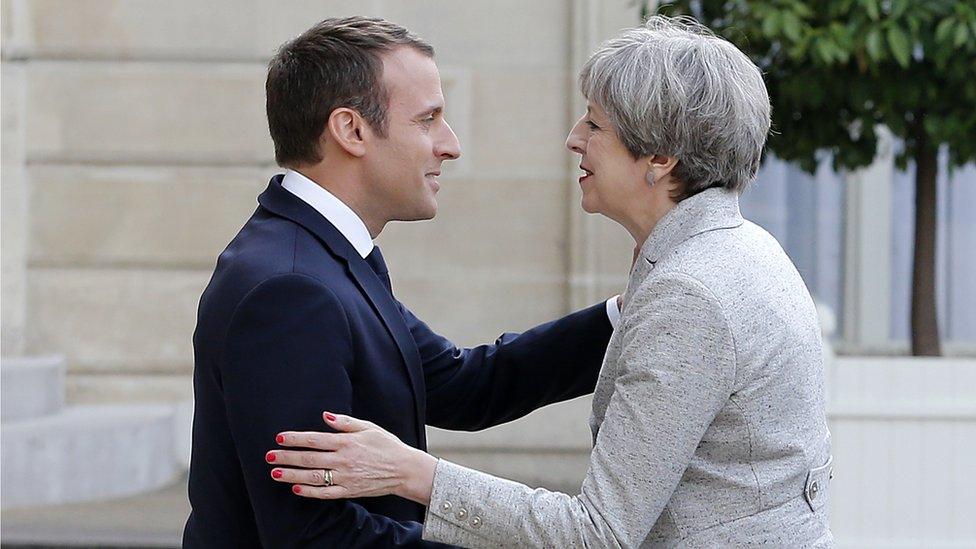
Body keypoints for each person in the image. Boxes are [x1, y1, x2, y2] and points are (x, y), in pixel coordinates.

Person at [268, 16, 834, 548]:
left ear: (658, 157)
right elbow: (464, 382)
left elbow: (596, 534)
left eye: (595, 124)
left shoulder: (691, 293)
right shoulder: (742, 250)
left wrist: (415, 474)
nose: (573, 138)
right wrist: (630, 310)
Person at [182, 16, 620, 548]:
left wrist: (634, 313)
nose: (451, 145)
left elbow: (466, 387)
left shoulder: (322, 257)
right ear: (351, 130)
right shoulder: (291, 289)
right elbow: (315, 538)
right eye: (428, 119)